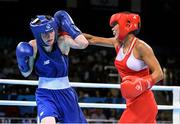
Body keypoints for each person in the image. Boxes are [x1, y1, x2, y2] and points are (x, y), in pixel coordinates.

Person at [84, 12, 163, 123]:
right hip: (131, 101)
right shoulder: (118, 43)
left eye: (115, 24)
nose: (112, 28)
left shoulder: (141, 47)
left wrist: (141, 84)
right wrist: (70, 33)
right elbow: (92, 39)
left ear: (126, 25)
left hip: (143, 102)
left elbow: (159, 73)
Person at [16, 10, 89, 124]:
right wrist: (22, 61)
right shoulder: (33, 46)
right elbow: (25, 73)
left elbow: (83, 44)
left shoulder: (63, 41)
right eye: (44, 33)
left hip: (66, 93)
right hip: (45, 94)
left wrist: (69, 26)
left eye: (51, 32)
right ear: (37, 35)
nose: (49, 36)